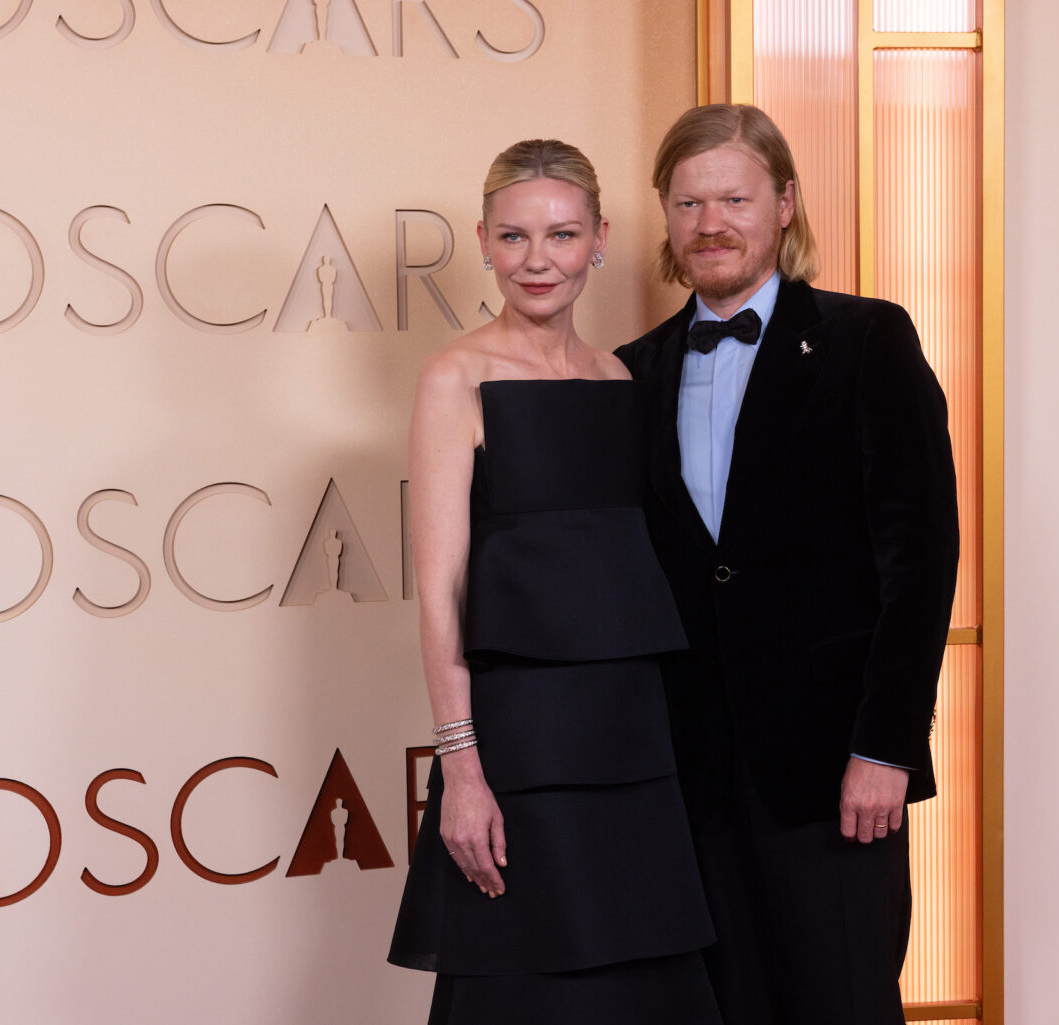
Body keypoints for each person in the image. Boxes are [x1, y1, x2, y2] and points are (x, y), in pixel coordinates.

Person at [616, 104, 961, 1025]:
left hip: (835, 773)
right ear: (665, 214)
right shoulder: (631, 372)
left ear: (785, 204)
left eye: (735, 197)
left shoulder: (868, 341)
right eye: (689, 203)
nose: (712, 223)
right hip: (690, 779)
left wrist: (886, 744)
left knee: (842, 1006)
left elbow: (921, 561)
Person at [387, 139, 721, 1025]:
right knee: (525, 986)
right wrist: (462, 769)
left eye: (563, 235)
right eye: (515, 237)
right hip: (520, 744)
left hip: (630, 739)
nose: (539, 260)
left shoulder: (619, 377)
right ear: (485, 242)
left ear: (601, 239)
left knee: (642, 983)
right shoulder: (454, 377)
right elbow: (442, 588)